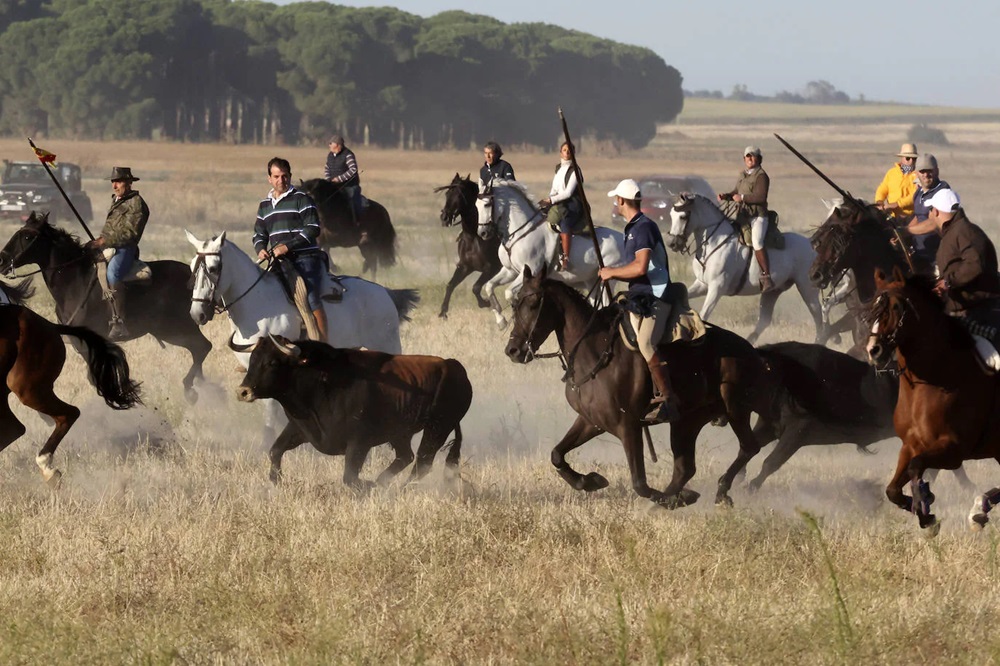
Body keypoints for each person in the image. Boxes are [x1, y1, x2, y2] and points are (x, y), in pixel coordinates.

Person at [598, 179, 679, 423]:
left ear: (622, 201)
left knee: (645, 345)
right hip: (641, 295)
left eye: (617, 199)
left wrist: (612, 272)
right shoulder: (633, 227)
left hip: (656, 296)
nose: (616, 203)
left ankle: (667, 400)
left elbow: (640, 266)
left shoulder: (643, 227)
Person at [254, 157, 328, 341]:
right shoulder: (264, 206)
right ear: (269, 178)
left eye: (285, 176)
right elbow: (259, 234)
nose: (281, 180)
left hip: (306, 257)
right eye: (276, 176)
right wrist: (261, 248)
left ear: (290, 176)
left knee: (310, 297)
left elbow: (313, 228)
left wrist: (287, 246)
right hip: (279, 261)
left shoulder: (302, 199)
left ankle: (323, 345)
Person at [84, 166, 149, 340]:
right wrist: (98, 242)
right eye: (113, 182)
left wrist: (104, 241)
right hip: (109, 246)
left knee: (113, 274)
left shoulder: (136, 203)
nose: (114, 186)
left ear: (128, 182)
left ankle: (119, 322)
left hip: (125, 248)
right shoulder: (116, 200)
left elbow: (130, 233)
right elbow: (111, 229)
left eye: (118, 181)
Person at [929, 188, 1000, 315]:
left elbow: (975, 264)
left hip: (979, 312)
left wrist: (948, 282)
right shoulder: (955, 232)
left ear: (936, 212)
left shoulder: (965, 231)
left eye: (931, 209)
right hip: (965, 308)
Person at [717, 146, 773, 292]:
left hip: (757, 217)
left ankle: (766, 276)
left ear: (759, 159)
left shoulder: (761, 176)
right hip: (743, 215)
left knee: (757, 241)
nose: (749, 158)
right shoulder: (743, 174)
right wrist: (727, 196)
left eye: (753, 156)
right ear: (744, 159)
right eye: (747, 156)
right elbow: (736, 191)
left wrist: (742, 198)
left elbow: (761, 197)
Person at [540, 141, 583, 272]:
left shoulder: (575, 170)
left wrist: (552, 199)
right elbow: (554, 188)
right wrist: (548, 200)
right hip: (559, 202)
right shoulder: (558, 168)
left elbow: (568, 193)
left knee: (565, 223)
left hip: (573, 205)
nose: (567, 152)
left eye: (570, 150)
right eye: (565, 150)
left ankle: (566, 258)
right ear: (560, 152)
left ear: (573, 153)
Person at [903, 153, 951, 269]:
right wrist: (900, 235)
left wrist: (907, 230)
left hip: (937, 258)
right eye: (922, 171)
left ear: (937, 171)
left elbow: (934, 223)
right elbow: (918, 216)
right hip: (919, 253)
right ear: (916, 173)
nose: (926, 175)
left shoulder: (942, 192)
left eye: (929, 171)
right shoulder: (918, 194)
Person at [875, 143, 920, 222]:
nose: (911, 161)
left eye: (914, 159)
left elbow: (915, 195)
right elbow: (883, 189)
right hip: (891, 216)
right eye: (908, 158)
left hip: (911, 218)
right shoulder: (892, 173)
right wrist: (879, 201)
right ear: (901, 158)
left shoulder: (919, 175)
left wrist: (897, 204)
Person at [324, 134, 362, 226]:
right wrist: (328, 180)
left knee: (351, 199)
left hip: (349, 186)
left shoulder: (348, 155)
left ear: (337, 145)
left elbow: (353, 170)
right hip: (334, 186)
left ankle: (355, 221)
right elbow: (327, 167)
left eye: (330, 143)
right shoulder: (330, 155)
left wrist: (339, 179)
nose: (329, 145)